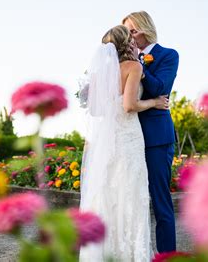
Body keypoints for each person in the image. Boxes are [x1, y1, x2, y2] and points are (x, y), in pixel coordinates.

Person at [80, 25, 169, 261]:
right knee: (130, 195)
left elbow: (97, 111)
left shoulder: (101, 74)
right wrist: (154, 103)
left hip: (108, 141)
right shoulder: (133, 66)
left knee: (108, 194)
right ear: (127, 43)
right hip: (129, 137)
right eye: (131, 37)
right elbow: (130, 106)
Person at [123, 11, 179, 253]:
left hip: (157, 139)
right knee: (130, 199)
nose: (130, 38)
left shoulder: (168, 55)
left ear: (145, 29)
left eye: (133, 32)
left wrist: (140, 66)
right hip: (128, 135)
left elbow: (160, 89)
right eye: (126, 33)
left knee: (160, 201)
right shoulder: (123, 59)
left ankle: (167, 256)